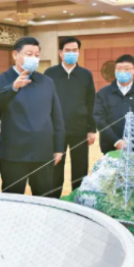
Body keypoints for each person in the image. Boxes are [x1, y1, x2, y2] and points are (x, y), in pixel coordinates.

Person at [0, 36, 65, 197]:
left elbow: (56, 116)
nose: (34, 58)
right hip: (14, 153)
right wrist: (13, 87)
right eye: (29, 54)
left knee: (44, 198)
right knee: (13, 199)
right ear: (15, 55)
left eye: (37, 55)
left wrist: (58, 147)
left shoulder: (47, 82)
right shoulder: (0, 80)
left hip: (43, 151)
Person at [44, 36, 96, 198]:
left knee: (80, 168)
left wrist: (92, 129)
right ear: (60, 53)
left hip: (79, 128)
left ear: (79, 52)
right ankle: (53, 201)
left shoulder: (85, 75)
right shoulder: (50, 73)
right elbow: (44, 101)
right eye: (67, 50)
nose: (71, 53)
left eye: (75, 50)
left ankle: (78, 200)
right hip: (55, 130)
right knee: (55, 167)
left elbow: (91, 102)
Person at [94, 54, 134, 156]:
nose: (122, 72)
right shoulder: (103, 93)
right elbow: (99, 119)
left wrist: (133, 142)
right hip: (110, 147)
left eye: (127, 69)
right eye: (119, 68)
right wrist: (116, 141)